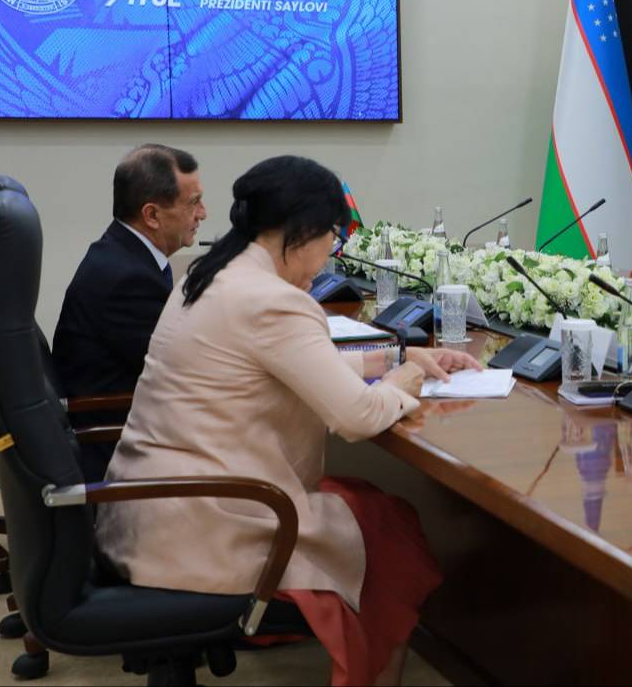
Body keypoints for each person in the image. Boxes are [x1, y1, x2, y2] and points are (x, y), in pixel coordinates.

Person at [95, 155, 481, 686]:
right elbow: (358, 417)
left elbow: (277, 368)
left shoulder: (207, 275)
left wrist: (394, 358)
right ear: (302, 232)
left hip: (149, 509)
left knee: (374, 509)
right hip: (213, 523)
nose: (329, 255)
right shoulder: (272, 300)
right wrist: (406, 381)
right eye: (332, 239)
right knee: (390, 531)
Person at [53, 143, 206, 397]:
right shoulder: (127, 281)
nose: (203, 213)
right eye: (194, 202)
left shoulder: (121, 254)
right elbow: (182, 369)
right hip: (115, 418)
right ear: (152, 215)